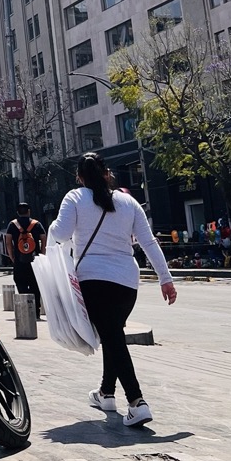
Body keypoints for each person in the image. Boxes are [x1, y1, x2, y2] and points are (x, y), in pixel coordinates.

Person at [49, 152, 177, 427]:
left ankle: (137, 401)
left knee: (112, 337)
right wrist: (165, 279)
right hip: (127, 283)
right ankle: (106, 392)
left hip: (93, 280)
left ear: (80, 177)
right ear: (107, 173)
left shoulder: (74, 197)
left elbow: (60, 234)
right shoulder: (129, 201)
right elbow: (149, 242)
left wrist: (51, 226)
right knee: (112, 334)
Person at [5, 203, 46, 314]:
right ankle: (36, 310)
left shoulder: (12, 224)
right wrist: (42, 254)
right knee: (35, 284)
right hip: (35, 261)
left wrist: (12, 256)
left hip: (19, 260)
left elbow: (8, 241)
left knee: (20, 281)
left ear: (17, 212)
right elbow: (43, 238)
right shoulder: (36, 224)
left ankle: (26, 307)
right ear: (29, 211)